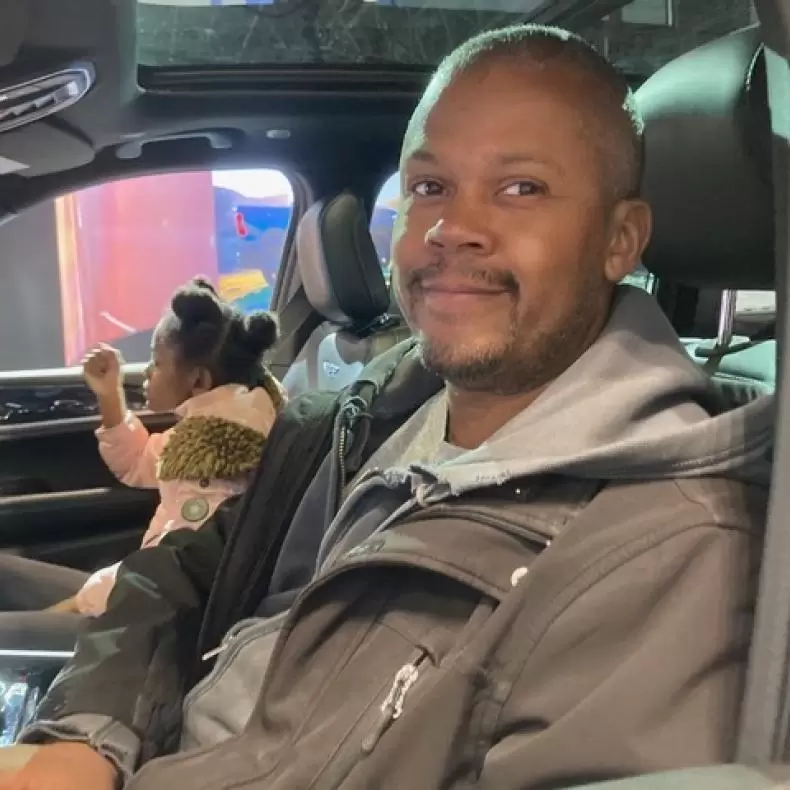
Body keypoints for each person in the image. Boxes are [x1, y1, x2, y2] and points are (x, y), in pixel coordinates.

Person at [0, 24, 773, 790]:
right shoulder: (380, 411)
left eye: (520, 188)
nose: (451, 229)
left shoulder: (664, 550)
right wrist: (87, 739)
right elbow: (187, 567)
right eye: (430, 187)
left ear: (620, 239)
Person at [0, 276, 285, 618]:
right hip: (133, 591)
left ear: (198, 381)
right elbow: (138, 461)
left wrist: (85, 601)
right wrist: (109, 394)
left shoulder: (215, 469)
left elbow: (174, 576)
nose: (148, 371)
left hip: (140, 623)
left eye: (158, 362)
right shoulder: (210, 434)